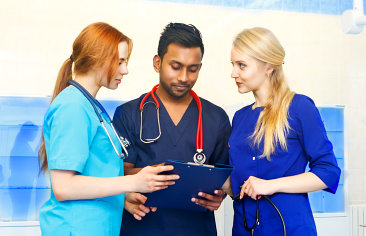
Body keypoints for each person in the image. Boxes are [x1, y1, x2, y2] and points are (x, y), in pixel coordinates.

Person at [38, 22, 179, 236]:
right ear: (97, 59)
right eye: (120, 61)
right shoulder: (72, 106)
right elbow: (63, 187)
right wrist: (133, 181)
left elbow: (95, 173)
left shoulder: (89, 106)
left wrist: (122, 198)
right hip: (75, 228)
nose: (125, 70)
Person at [113, 22, 231, 236]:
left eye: (192, 69)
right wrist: (157, 175)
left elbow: (222, 178)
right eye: (175, 67)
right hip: (142, 228)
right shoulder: (129, 114)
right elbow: (117, 174)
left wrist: (218, 196)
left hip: (197, 229)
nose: (184, 77)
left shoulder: (216, 118)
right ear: (157, 63)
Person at [227, 27, 341, 235]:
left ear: (268, 66)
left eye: (241, 65)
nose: (233, 73)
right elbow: (235, 183)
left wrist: (271, 185)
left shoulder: (299, 108)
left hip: (289, 227)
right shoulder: (239, 118)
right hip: (244, 227)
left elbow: (328, 172)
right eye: (233, 65)